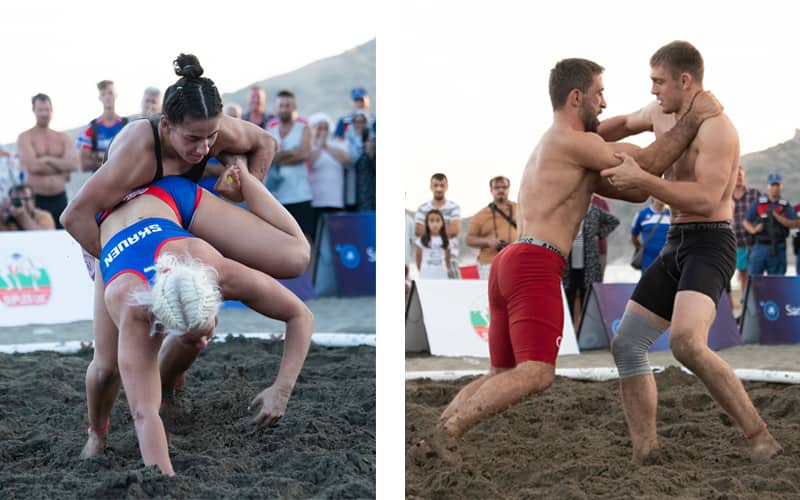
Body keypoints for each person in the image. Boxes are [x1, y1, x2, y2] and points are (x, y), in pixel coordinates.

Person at [430, 56, 723, 447]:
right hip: (536, 262)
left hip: (511, 261)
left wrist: (645, 143)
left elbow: (636, 188)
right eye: (599, 94)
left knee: (502, 372)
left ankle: (437, 431)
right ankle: (450, 431)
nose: (603, 104)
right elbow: (650, 162)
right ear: (575, 97)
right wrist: (691, 119)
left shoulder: (556, 145)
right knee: (537, 372)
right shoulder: (576, 143)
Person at [61, 54, 311, 454]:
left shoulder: (214, 130)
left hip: (179, 209)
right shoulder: (136, 151)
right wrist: (109, 263)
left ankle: (169, 389)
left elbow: (266, 142)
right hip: (112, 227)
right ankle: (98, 433)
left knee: (276, 271)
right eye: (193, 140)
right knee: (107, 367)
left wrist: (241, 183)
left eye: (211, 138)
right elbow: (74, 215)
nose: (204, 148)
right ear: (165, 126)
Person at [596, 40, 781, 463]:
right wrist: (581, 142)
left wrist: (643, 180)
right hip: (675, 243)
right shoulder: (658, 113)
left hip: (711, 240)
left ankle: (760, 437)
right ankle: (647, 451)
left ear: (685, 79)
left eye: (659, 82)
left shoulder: (719, 128)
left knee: (686, 342)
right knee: (627, 344)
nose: (653, 90)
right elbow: (621, 123)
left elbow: (704, 197)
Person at [90, 163, 312, 476]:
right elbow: (143, 415)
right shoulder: (132, 308)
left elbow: (299, 313)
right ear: (158, 319)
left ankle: (242, 169)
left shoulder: (214, 266)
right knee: (105, 370)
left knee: (295, 257)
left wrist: (282, 388)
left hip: (165, 199)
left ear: (213, 287)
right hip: (104, 226)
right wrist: (166, 481)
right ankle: (95, 434)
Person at [16, 93, 80, 228]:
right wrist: (61, 165)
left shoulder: (62, 137)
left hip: (60, 198)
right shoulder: (25, 137)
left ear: (52, 110)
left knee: (63, 236)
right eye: (40, 110)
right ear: (34, 110)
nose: (44, 114)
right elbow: (33, 166)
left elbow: (74, 164)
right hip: (36, 199)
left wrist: (46, 159)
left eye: (47, 109)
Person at [266, 90, 314, 239]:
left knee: (306, 237)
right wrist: (292, 152)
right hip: (277, 196)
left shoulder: (304, 129)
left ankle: (309, 264)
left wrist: (279, 156)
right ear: (276, 108)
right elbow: (267, 157)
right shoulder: (270, 131)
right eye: (281, 105)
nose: (284, 109)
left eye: (288, 105)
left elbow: (305, 154)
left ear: (294, 107)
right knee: (281, 238)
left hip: (300, 195)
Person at [563, 202, 619, 329]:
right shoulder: (568, 209)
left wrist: (599, 234)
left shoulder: (595, 210)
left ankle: (585, 329)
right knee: (569, 292)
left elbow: (614, 221)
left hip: (589, 261)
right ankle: (569, 329)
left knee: (586, 293)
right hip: (570, 259)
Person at [744, 173, 796, 276]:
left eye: (777, 185)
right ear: (768, 186)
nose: (775, 188)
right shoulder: (759, 202)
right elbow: (746, 221)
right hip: (759, 246)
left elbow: (794, 223)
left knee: (777, 280)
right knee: (754, 279)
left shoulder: (785, 205)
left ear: (781, 186)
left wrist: (776, 216)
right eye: (773, 185)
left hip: (778, 247)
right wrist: (754, 230)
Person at [465, 176, 518, 279]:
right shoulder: (481, 215)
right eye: (497, 188)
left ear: (509, 189)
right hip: (489, 263)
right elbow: (469, 240)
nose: (501, 190)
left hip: (515, 261)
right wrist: (487, 241)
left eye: (504, 187)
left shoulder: (520, 209)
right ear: (491, 190)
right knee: (489, 294)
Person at [308, 112, 351, 235]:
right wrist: (320, 145)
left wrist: (325, 146)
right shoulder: (310, 147)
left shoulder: (337, 144)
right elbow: (309, 162)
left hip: (335, 201)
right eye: (319, 128)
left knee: (336, 237)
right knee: (315, 235)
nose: (323, 131)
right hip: (315, 200)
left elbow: (346, 159)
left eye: (325, 128)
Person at [77, 80, 128, 172]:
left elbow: (133, 157)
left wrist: (99, 156)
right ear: (99, 97)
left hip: (124, 182)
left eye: (110, 93)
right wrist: (115, 158)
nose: (107, 97)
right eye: (104, 94)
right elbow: (84, 165)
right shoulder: (91, 129)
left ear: (116, 95)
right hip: (100, 184)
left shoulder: (127, 126)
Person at [415, 173, 461, 276]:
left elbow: (454, 230)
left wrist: (429, 231)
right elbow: (418, 230)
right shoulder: (422, 208)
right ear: (431, 187)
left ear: (447, 187)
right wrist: (444, 231)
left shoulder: (454, 207)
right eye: (435, 185)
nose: (439, 189)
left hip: (451, 261)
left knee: (452, 291)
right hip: (427, 264)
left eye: (442, 185)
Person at [732, 166, 761, 291]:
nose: (738, 177)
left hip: (753, 242)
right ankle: (744, 303)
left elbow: (764, 212)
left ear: (744, 177)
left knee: (754, 275)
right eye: (736, 175)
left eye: (740, 175)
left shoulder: (754, 194)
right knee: (743, 274)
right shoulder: (726, 196)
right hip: (735, 243)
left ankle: (753, 303)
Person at [630, 198, 671, 272]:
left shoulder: (672, 215)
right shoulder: (641, 214)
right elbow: (634, 237)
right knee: (648, 283)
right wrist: (640, 248)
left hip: (667, 260)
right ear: (653, 196)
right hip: (647, 260)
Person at [415, 209, 450, 279]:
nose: (435, 224)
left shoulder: (446, 240)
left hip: (442, 276)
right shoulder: (421, 241)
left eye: (438, 220)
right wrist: (423, 271)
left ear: (442, 223)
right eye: (431, 220)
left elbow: (447, 261)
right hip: (426, 276)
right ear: (427, 223)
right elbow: (418, 259)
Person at [591, 194, 612, 279]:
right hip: (578, 249)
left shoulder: (601, 202)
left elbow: (611, 222)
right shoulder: (576, 200)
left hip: (599, 249)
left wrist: (598, 234)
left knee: (598, 280)